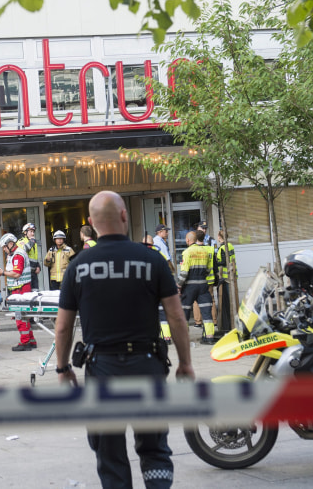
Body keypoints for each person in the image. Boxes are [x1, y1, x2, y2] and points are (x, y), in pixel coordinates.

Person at [55, 190, 194, 489]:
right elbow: (177, 317)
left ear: (91, 222)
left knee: (110, 453)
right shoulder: (152, 259)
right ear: (124, 216)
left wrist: (62, 368)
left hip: (102, 371)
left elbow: (63, 327)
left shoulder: (78, 265)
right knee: (154, 448)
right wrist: (185, 363)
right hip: (147, 367)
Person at [0, 233, 38, 351]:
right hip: (20, 288)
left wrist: (1, 273)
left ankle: (25, 342)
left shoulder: (17, 255)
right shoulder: (13, 255)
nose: (4, 250)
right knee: (24, 316)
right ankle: (31, 340)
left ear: (11, 243)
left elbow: (16, 274)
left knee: (20, 316)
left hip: (20, 289)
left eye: (5, 247)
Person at [178, 230, 216, 344]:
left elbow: (184, 273)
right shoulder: (204, 252)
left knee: (184, 312)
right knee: (206, 312)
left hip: (189, 286)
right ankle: (209, 338)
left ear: (188, 240)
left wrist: (178, 285)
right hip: (203, 285)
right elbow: (209, 269)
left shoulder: (187, 252)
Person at [214, 230, 236, 334]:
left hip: (225, 278)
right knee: (231, 301)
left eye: (218, 236)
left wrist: (216, 261)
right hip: (232, 276)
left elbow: (224, 262)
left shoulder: (222, 248)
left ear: (219, 237)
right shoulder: (230, 245)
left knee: (226, 302)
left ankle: (227, 324)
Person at [17, 223, 41, 290]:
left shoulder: (33, 242)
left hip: (34, 273)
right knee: (27, 294)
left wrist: (38, 266)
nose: (32, 234)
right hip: (25, 273)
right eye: (31, 231)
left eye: (33, 232)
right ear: (25, 232)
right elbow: (25, 249)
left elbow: (34, 257)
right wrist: (32, 241)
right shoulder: (20, 241)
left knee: (35, 292)